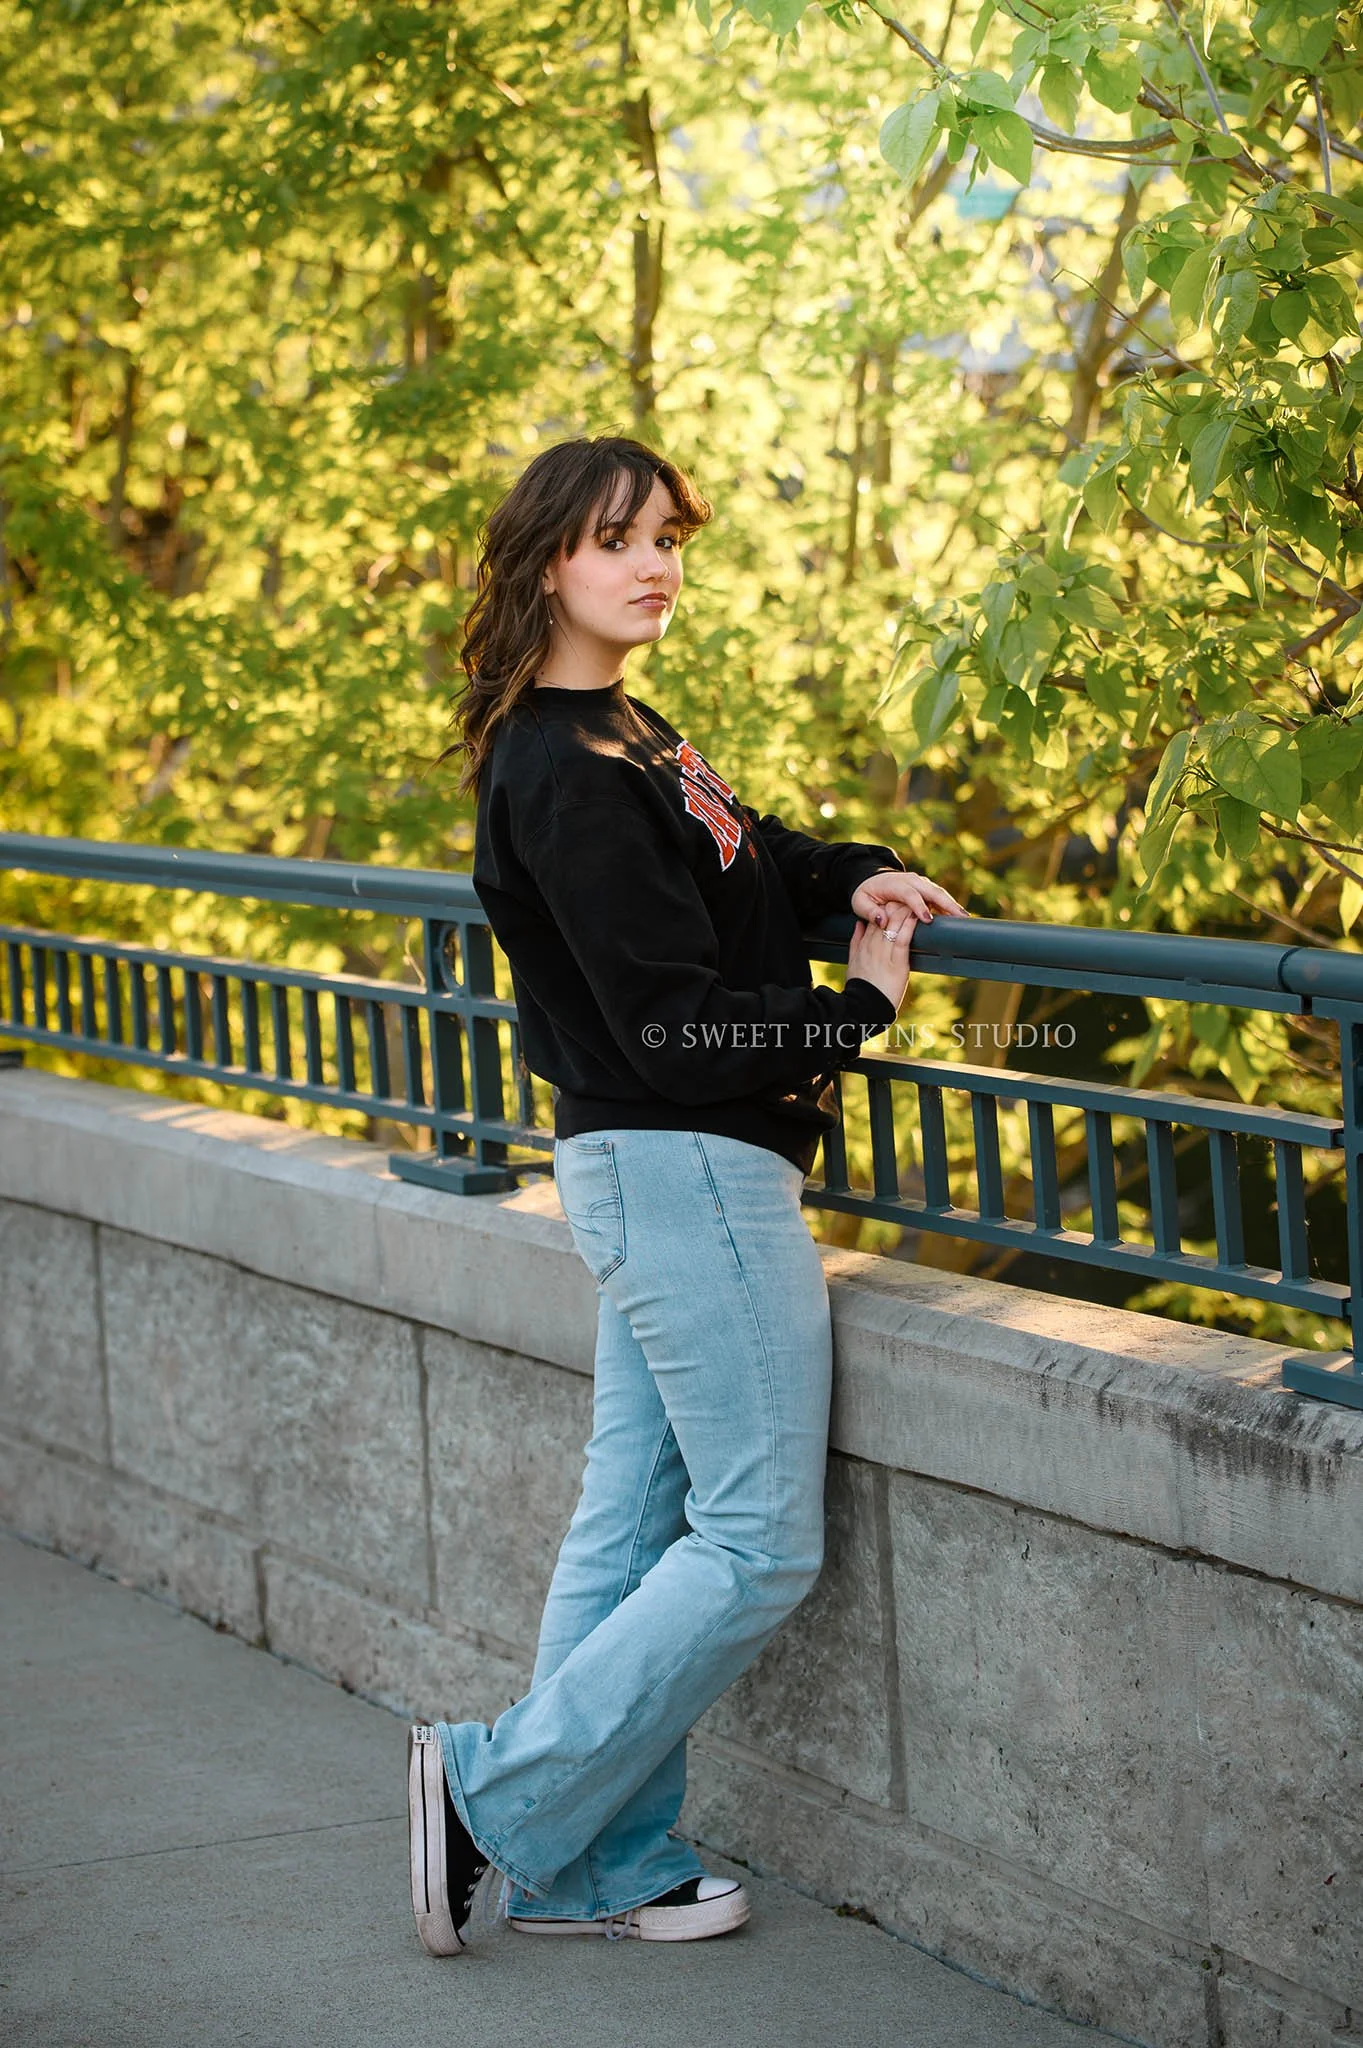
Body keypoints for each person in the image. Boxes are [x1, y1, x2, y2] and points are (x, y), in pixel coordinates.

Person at [408, 434, 968, 1953]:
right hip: (686, 1170)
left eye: (664, 536)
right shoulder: (563, 767)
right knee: (756, 1540)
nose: (653, 564)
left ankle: (595, 1865)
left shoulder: (621, 731)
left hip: (657, 1170)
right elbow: (668, 1019)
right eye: (615, 541)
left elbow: (744, 858)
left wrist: (847, 873)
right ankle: (492, 1790)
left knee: (636, 1513)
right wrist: (852, 1011)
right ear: (545, 565)